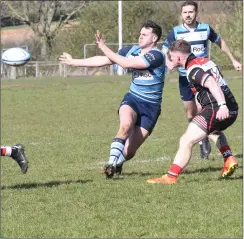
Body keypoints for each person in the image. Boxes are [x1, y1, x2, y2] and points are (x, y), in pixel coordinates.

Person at [59, 20, 166, 179]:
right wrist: (73, 61)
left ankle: (117, 163)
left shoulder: (156, 55)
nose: (140, 37)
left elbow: (126, 63)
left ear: (154, 38)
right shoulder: (132, 50)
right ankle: (110, 164)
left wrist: (103, 46)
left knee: (129, 152)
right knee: (125, 126)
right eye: (140, 34)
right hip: (133, 99)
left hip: (151, 108)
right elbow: (103, 60)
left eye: (144, 35)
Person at [147, 39, 238, 184]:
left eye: (171, 57)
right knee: (213, 131)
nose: (171, 60)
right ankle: (228, 158)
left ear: (178, 57)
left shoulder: (192, 69)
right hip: (232, 107)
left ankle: (171, 177)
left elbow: (212, 83)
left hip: (217, 108)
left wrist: (221, 105)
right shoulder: (205, 60)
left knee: (186, 140)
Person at [162, 1, 242, 159]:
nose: (188, 15)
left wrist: (233, 60)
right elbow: (164, 50)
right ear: (181, 14)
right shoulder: (176, 32)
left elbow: (220, 42)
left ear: (196, 13)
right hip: (185, 80)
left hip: (203, 78)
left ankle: (204, 140)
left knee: (204, 110)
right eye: (185, 12)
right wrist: (169, 64)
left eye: (191, 12)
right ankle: (202, 136)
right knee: (190, 113)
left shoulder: (205, 28)